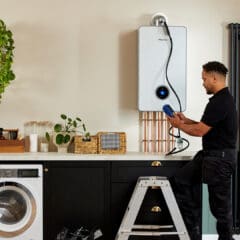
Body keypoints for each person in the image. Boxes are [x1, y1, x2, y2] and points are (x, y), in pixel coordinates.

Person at [167, 61, 237, 240]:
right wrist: (185, 120)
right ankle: (193, 232)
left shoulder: (221, 102)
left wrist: (178, 125)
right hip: (209, 157)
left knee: (220, 209)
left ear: (214, 78)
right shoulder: (220, 100)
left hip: (219, 160)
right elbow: (204, 125)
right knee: (180, 181)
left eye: (204, 79)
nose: (203, 83)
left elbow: (199, 131)